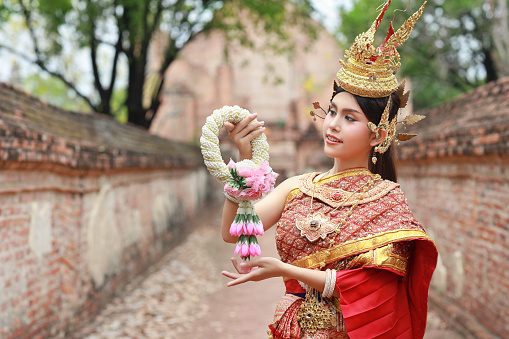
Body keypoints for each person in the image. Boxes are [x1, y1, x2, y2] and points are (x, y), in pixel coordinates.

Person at [220, 1, 437, 338]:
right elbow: (237, 231)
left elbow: (371, 288)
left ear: (378, 134)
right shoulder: (298, 186)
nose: (333, 124)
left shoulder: (387, 202)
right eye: (333, 111)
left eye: (349, 118)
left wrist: (283, 269)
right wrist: (244, 163)